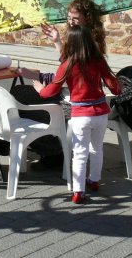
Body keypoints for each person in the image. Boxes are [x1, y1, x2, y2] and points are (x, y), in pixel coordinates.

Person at [14, 0, 107, 169]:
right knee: (19, 94)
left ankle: (53, 150)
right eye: (69, 18)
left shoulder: (89, 42)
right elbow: (69, 64)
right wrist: (57, 42)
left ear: (87, 18)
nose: (70, 22)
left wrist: (41, 84)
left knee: (19, 97)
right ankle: (49, 149)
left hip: (75, 100)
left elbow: (70, 70)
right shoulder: (79, 35)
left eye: (75, 19)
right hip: (73, 94)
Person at [33, 25, 121, 203]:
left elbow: (51, 90)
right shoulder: (98, 60)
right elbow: (114, 86)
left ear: (70, 43)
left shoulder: (68, 64)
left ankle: (78, 191)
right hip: (100, 113)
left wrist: (39, 88)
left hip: (81, 115)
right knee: (97, 149)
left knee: (80, 152)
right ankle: (94, 181)